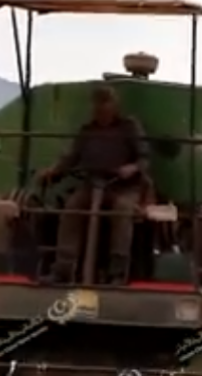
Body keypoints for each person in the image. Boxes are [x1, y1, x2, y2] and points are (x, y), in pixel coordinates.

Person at [34, 85, 150, 284]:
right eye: (98, 105)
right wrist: (53, 170)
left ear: (115, 106)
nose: (102, 110)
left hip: (123, 187)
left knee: (122, 210)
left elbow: (145, 158)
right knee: (72, 208)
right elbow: (70, 158)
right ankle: (63, 269)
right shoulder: (87, 131)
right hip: (91, 184)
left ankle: (117, 272)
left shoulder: (129, 127)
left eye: (106, 104)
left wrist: (132, 168)